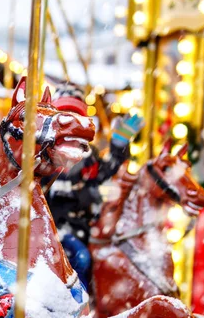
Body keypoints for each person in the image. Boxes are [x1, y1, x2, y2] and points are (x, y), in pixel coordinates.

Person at [45, 84, 144, 286]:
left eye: (75, 116)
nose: (71, 124)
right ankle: (76, 304)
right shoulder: (46, 150)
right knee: (81, 258)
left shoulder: (86, 154)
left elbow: (105, 171)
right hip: (52, 227)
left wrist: (119, 146)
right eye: (65, 116)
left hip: (82, 226)